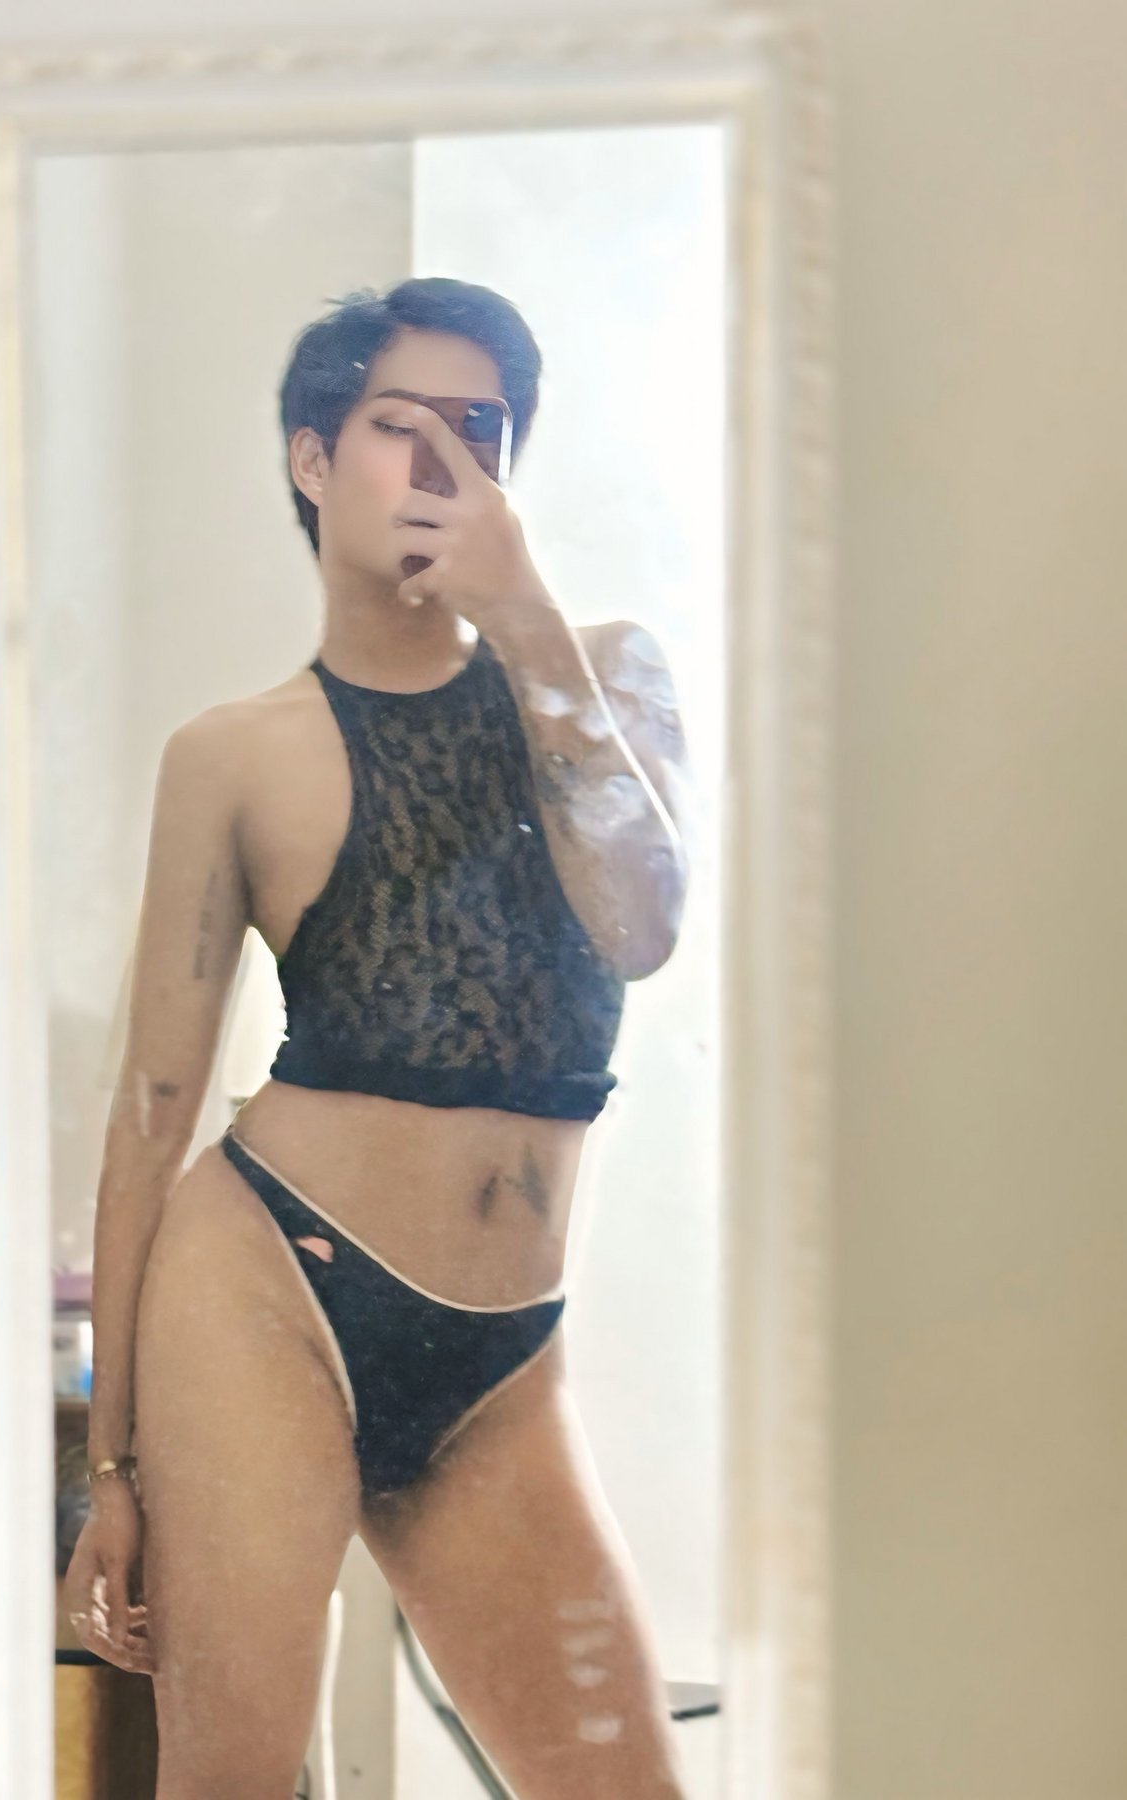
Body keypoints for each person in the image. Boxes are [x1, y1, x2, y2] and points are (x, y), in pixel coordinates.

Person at [63, 276, 692, 1799]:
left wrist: (522, 615)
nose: (443, 464)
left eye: (480, 430)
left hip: (501, 1366)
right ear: (311, 458)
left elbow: (643, 925)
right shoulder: (233, 754)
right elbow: (152, 1111)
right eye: (402, 425)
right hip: (266, 1287)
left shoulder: (603, 673)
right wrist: (111, 1473)